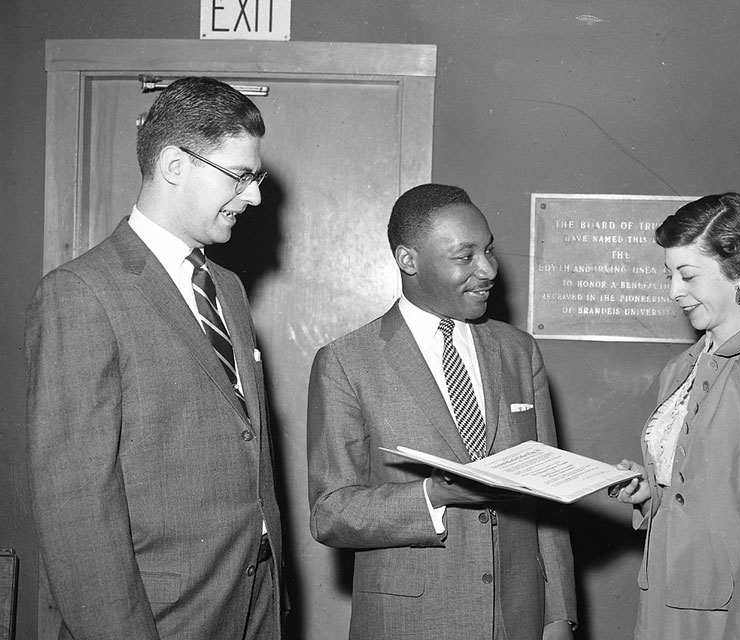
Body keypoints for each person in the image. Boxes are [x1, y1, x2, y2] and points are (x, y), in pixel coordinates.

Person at [25, 77, 282, 640]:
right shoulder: (81, 293)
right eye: (240, 177)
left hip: (251, 602)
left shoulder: (229, 288)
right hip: (159, 616)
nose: (255, 196)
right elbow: (76, 510)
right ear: (173, 165)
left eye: (255, 178)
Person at [306, 183, 577, 640]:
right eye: (464, 256)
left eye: (488, 250)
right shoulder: (346, 362)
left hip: (518, 620)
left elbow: (545, 494)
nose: (488, 269)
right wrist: (435, 495)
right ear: (408, 260)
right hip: (410, 624)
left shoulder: (518, 351)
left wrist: (558, 615)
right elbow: (330, 513)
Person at [612, 192, 740, 640]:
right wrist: (650, 492)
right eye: (669, 275)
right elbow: (702, 493)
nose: (673, 291)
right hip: (664, 601)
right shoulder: (678, 370)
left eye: (687, 275)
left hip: (735, 616)